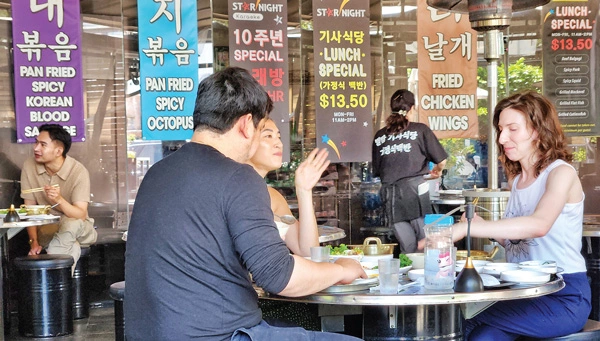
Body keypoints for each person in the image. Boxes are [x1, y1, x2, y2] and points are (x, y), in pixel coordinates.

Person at [124, 67, 366, 341]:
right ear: (245, 124)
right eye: (262, 129)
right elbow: (279, 275)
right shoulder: (239, 176)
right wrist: (342, 269)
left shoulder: (157, 173)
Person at [448, 91, 591, 340]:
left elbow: (539, 226)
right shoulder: (517, 181)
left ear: (537, 129)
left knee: (456, 318)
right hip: (522, 293)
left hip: (562, 296)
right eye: (501, 129)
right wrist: (490, 231)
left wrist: (470, 228)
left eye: (512, 129)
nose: (502, 138)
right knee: (483, 336)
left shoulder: (561, 173)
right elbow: (523, 243)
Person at [372, 89, 447, 253]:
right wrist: (437, 171)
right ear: (412, 109)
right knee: (426, 244)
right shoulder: (420, 130)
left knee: (408, 248)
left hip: (390, 198)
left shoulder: (379, 136)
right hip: (415, 193)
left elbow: (379, 171)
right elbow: (441, 160)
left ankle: (409, 274)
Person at [20, 123, 97, 271]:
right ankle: (62, 284)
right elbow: (29, 211)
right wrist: (33, 242)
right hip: (49, 230)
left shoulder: (78, 171)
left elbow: (80, 215)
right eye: (36, 142)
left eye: (43, 145)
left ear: (58, 151)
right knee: (71, 246)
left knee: (71, 224)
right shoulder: (29, 166)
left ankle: (53, 269)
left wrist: (59, 200)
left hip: (81, 228)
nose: (36, 148)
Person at [247, 118, 329, 257]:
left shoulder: (273, 197)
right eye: (268, 136)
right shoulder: (231, 191)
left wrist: (304, 191)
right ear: (247, 143)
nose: (278, 143)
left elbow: (307, 251)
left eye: (279, 137)